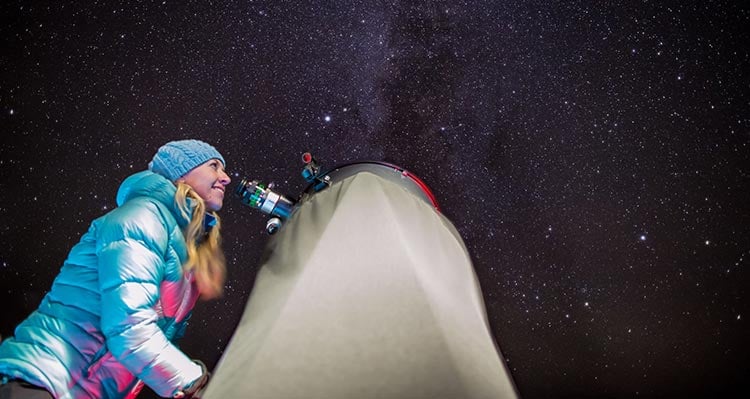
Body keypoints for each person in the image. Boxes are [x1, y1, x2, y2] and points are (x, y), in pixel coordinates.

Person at [0, 139, 231, 399]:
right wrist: (195, 383)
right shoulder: (143, 217)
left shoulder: (186, 249)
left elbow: (160, 344)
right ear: (181, 172)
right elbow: (130, 329)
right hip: (41, 383)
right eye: (214, 166)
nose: (226, 178)